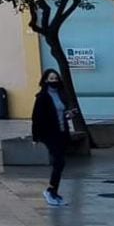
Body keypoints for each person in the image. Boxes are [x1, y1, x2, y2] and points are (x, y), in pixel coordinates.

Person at [32, 68, 72, 207]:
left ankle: (53, 191)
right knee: (59, 162)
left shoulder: (61, 95)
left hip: (62, 132)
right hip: (49, 134)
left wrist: (69, 115)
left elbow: (62, 112)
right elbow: (36, 117)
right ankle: (50, 191)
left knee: (60, 163)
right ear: (45, 80)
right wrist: (35, 137)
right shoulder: (42, 97)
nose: (54, 81)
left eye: (56, 78)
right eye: (51, 78)